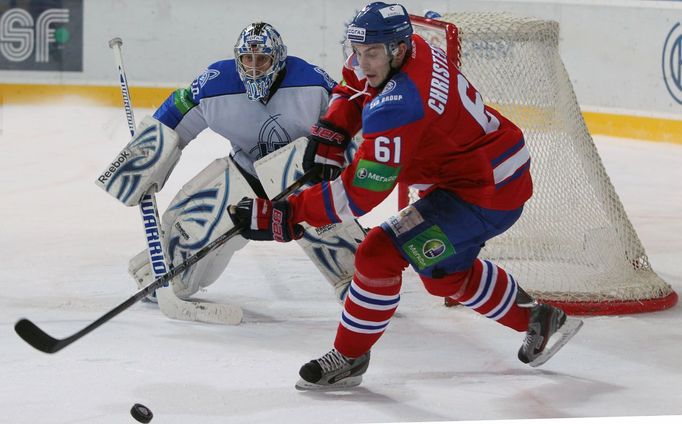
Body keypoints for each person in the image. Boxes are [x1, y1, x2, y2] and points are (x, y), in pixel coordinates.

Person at [228, 3, 583, 389]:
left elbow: (360, 195)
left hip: (485, 191)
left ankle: (348, 356)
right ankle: (538, 320)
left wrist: (289, 214)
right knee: (443, 274)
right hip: (478, 171)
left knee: (378, 253)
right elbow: (352, 82)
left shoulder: (400, 105)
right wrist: (335, 126)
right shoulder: (408, 49)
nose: (364, 62)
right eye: (359, 50)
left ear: (397, 49)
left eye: (372, 54)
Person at [99, 22, 357, 308]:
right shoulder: (215, 84)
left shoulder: (311, 81)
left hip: (300, 175)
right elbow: (173, 118)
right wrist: (144, 158)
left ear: (279, 59)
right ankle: (163, 268)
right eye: (248, 59)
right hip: (244, 174)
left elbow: (349, 118)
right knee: (187, 243)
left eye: (263, 59)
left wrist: (346, 167)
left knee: (321, 210)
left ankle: (355, 278)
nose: (255, 68)